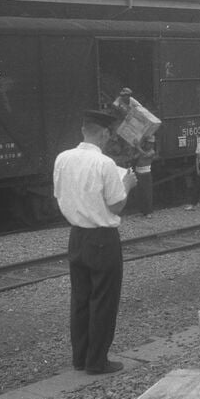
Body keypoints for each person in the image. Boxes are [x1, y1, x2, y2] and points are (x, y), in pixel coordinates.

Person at [53, 109, 137, 375]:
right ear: (104, 133)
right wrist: (129, 186)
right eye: (109, 134)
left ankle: (80, 358)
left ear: (82, 131)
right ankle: (97, 362)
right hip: (102, 238)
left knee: (80, 299)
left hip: (76, 236)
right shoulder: (105, 164)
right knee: (103, 300)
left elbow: (59, 195)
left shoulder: (62, 159)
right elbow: (116, 205)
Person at [132, 135, 156, 217]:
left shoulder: (152, 151)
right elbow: (134, 157)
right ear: (145, 143)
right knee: (140, 193)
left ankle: (149, 212)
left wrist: (137, 146)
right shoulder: (141, 150)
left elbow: (146, 155)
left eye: (152, 143)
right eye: (149, 143)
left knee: (147, 193)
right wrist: (137, 148)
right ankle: (142, 211)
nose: (151, 145)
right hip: (138, 173)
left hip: (146, 174)